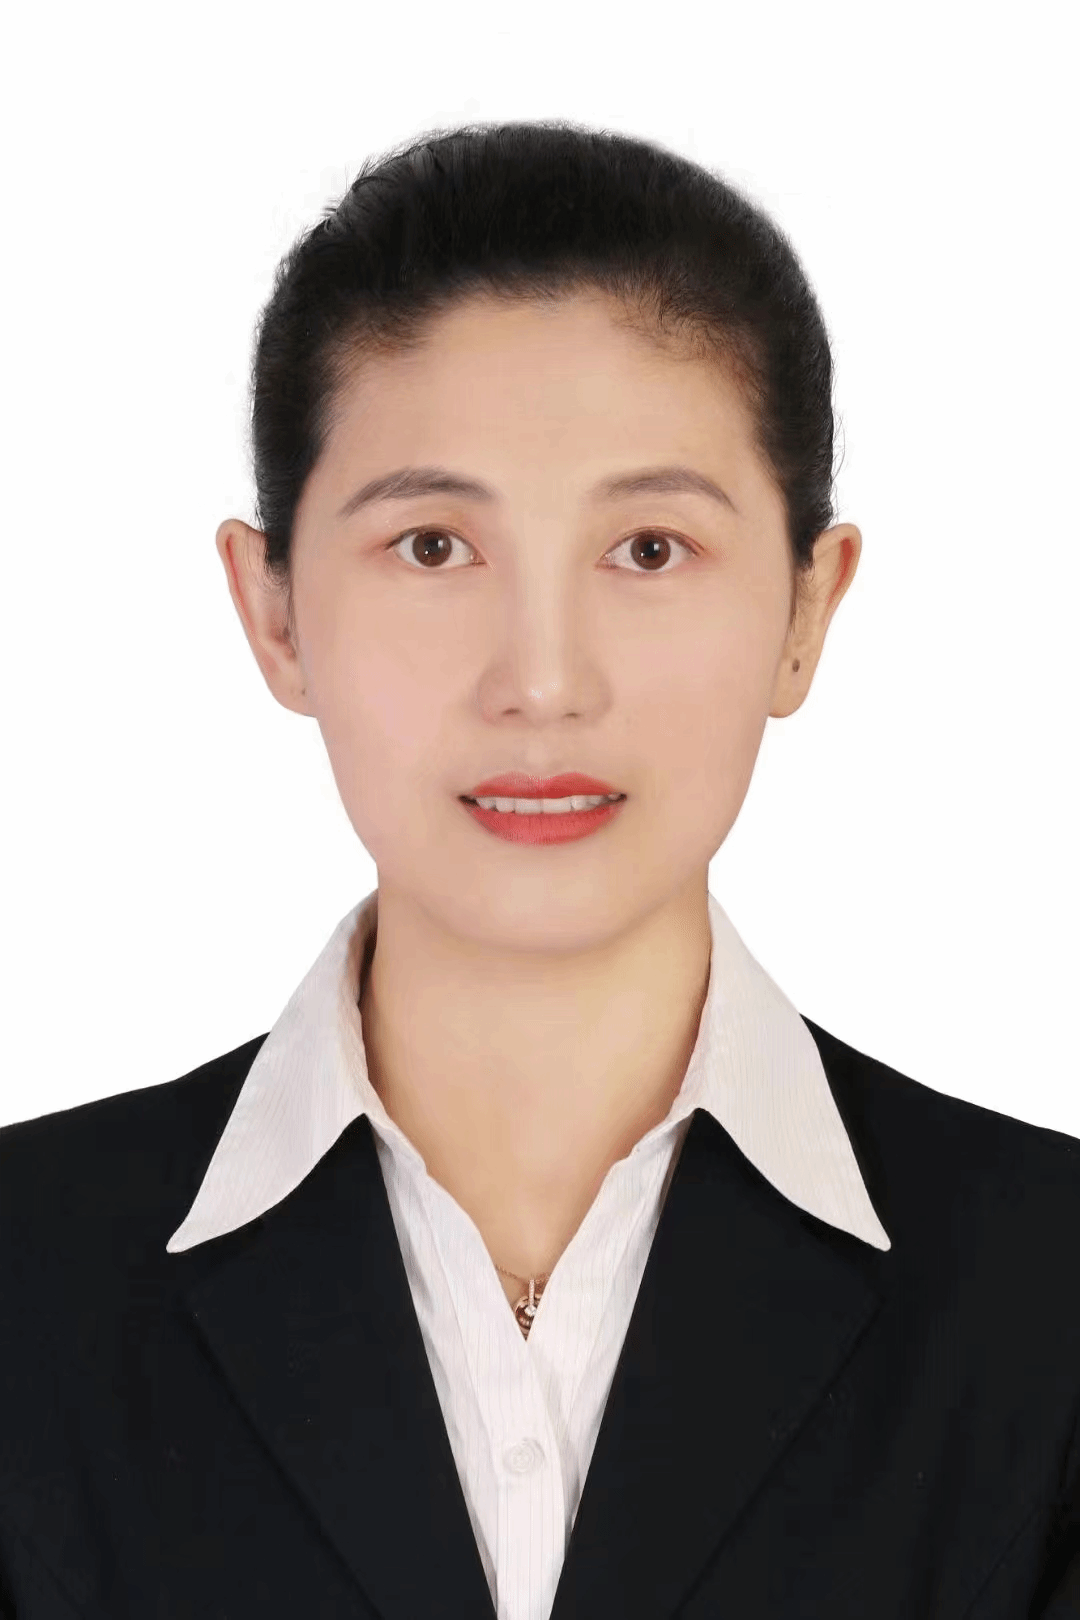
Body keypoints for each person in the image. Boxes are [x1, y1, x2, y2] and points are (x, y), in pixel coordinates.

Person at [2, 119, 1078, 1620]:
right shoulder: (24, 1285)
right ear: (276, 613)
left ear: (806, 613)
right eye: (434, 547)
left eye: (650, 549)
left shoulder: (1049, 1297)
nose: (544, 683)